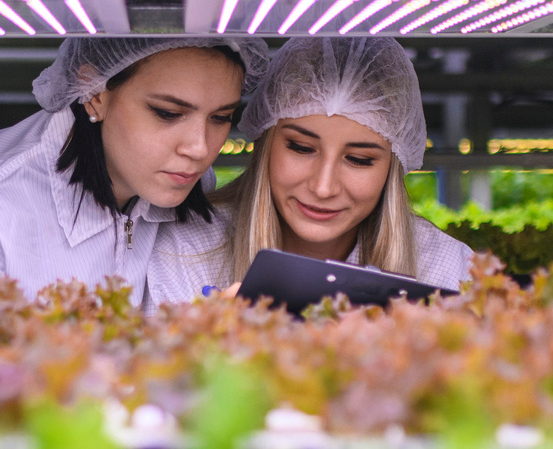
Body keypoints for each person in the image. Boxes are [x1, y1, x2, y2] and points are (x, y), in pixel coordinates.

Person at [0, 35, 266, 308]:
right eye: (168, 113)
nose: (200, 148)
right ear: (94, 92)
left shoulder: (164, 182)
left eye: (220, 117)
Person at [153, 36, 476, 301]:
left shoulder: (444, 266)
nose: (323, 187)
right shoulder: (188, 252)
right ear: (266, 142)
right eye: (301, 148)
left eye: (359, 160)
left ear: (393, 167)